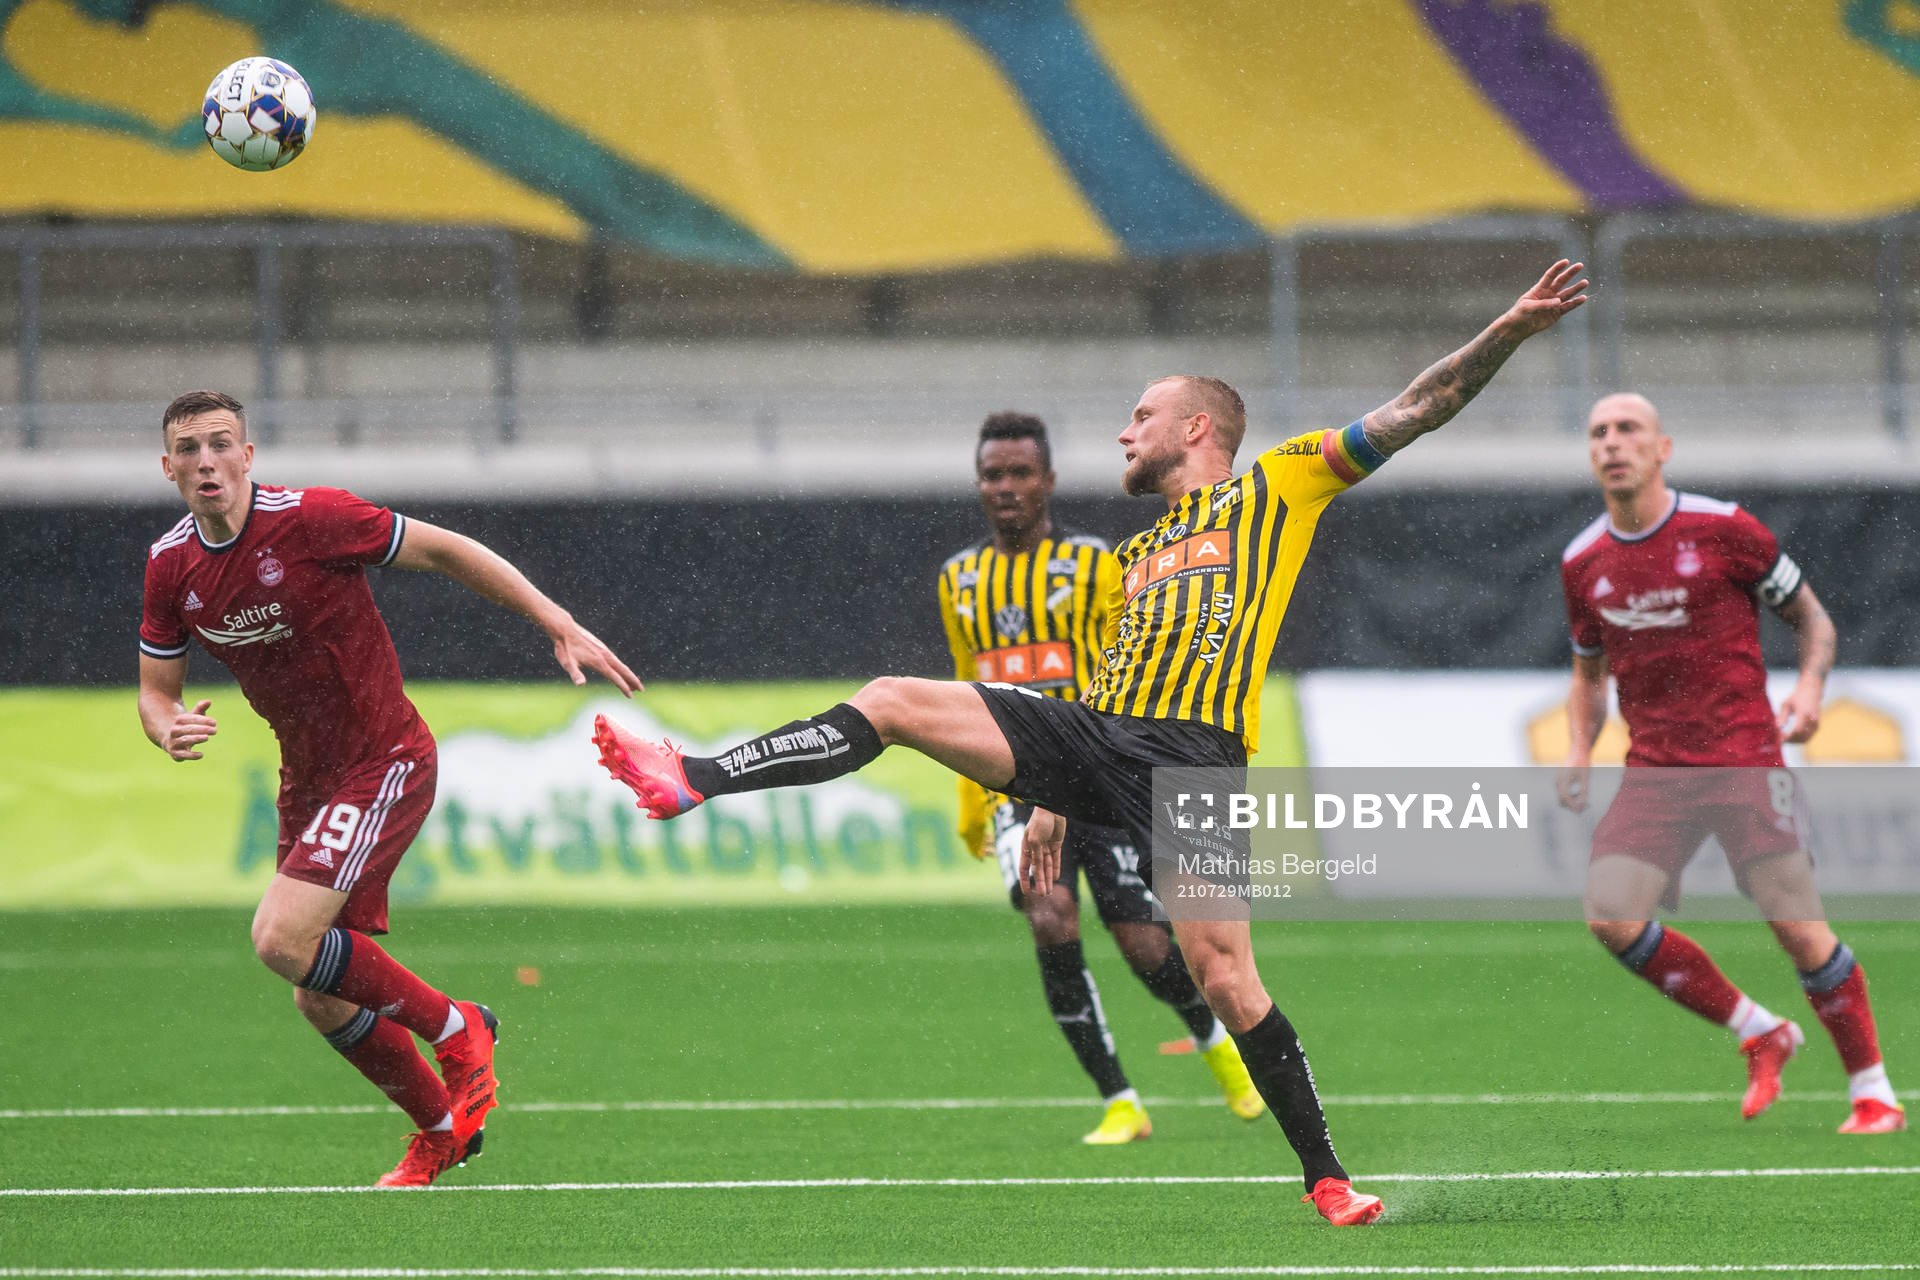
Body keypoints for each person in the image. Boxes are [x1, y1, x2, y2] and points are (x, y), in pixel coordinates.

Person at [595, 261, 1590, 1227]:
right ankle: (693, 775)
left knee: (1225, 975)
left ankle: (1326, 1177)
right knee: (894, 696)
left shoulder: (1277, 487)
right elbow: (1107, 682)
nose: (1125, 429)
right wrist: (1054, 809)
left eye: (1142, 414)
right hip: (1095, 732)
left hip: (1197, 759)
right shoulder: (1140, 552)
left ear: (1197, 426)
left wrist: (1506, 331)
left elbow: (1420, 405)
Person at [137, 390, 642, 1186]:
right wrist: (163, 724)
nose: (207, 461)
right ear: (168, 468)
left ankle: (459, 1025)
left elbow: (446, 550)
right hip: (308, 780)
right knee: (319, 993)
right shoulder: (171, 566)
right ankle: (441, 1130)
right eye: (190, 449)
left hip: (386, 758)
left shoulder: (312, 519)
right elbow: (155, 690)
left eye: (221, 444)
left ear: (248, 455)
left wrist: (555, 618)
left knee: (280, 941)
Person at [1557, 392, 1902, 1135]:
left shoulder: (1724, 529)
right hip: (1655, 769)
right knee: (1612, 918)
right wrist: (1581, 749)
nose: (1612, 443)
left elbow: (1812, 618)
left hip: (1744, 755)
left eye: (1628, 430)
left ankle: (1873, 1091)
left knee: (1798, 931)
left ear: (1662, 448)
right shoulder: (1583, 562)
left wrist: (1810, 687)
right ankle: (1759, 1029)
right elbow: (1587, 672)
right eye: (1598, 433)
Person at [938, 411, 1263, 1145]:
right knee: (1049, 917)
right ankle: (1119, 1098)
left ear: (1048, 481)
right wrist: (971, 799)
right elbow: (968, 682)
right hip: (1015, 787)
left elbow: (1128, 666)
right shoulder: (959, 580)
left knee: (1147, 947)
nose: (1007, 487)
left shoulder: (1098, 563)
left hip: (1101, 773)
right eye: (993, 475)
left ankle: (1218, 1048)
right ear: (979, 485)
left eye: (1021, 473)